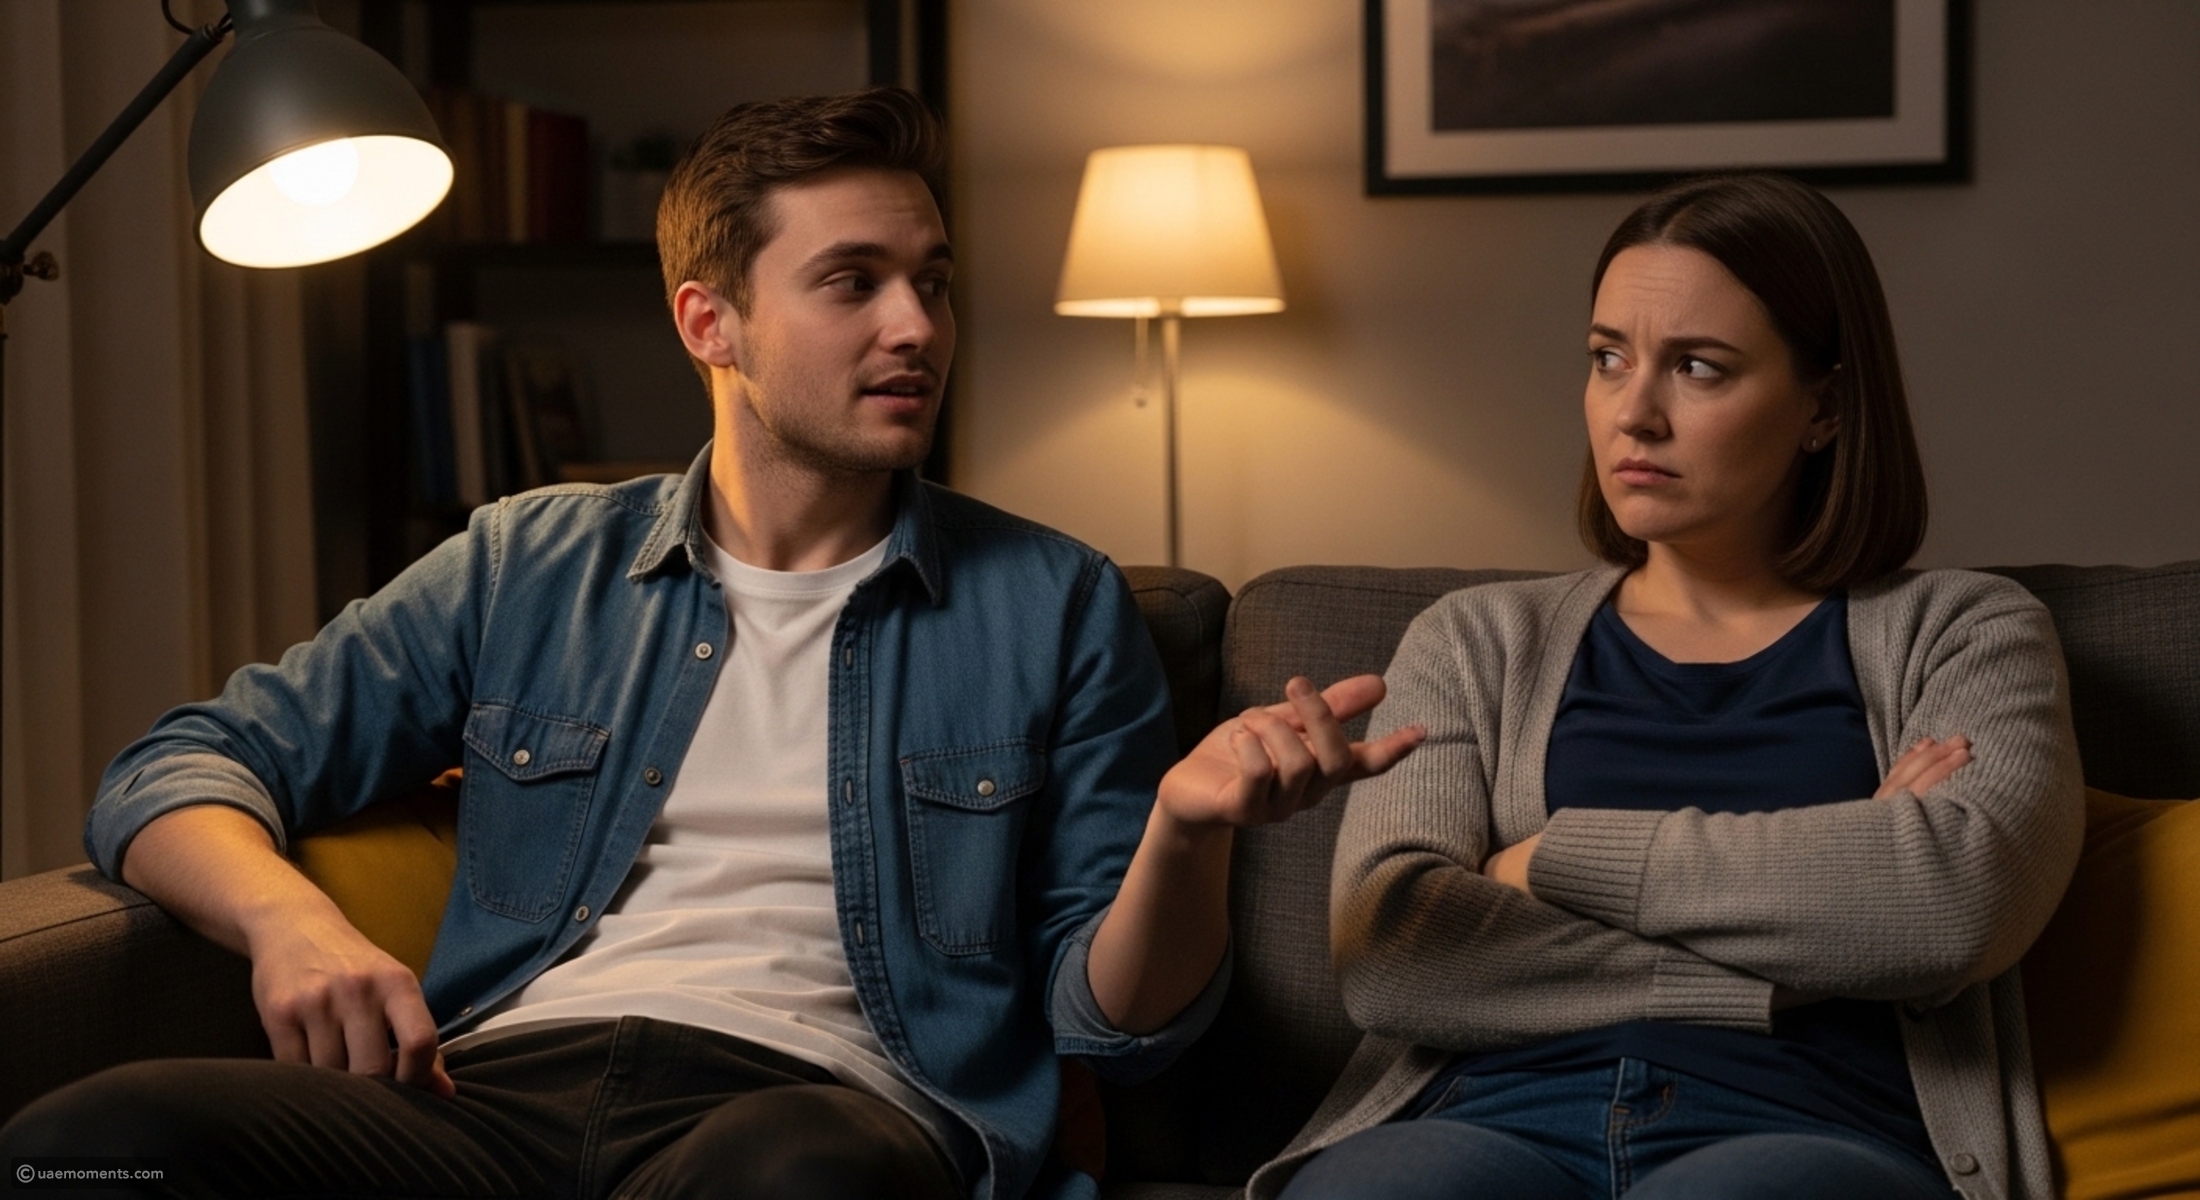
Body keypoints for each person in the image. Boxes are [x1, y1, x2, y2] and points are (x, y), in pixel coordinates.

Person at [0, 88, 1420, 1200]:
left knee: (791, 1177)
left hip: (819, 1108)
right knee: (87, 1143)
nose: (918, 326)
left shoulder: (1053, 603)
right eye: (853, 282)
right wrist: (291, 924)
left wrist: (1183, 832)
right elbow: (174, 769)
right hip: (487, 1100)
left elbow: (1116, 1028)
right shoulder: (527, 561)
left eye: (932, 280)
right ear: (710, 321)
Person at [1250, 173, 2083, 1200]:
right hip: (1484, 1119)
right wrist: (1832, 916)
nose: (1633, 414)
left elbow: (1954, 905)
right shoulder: (1474, 640)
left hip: (1812, 1130)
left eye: (1697, 367)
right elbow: (1394, 954)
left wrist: (1544, 861)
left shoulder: (1966, 631)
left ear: (1823, 407)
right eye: (1608, 358)